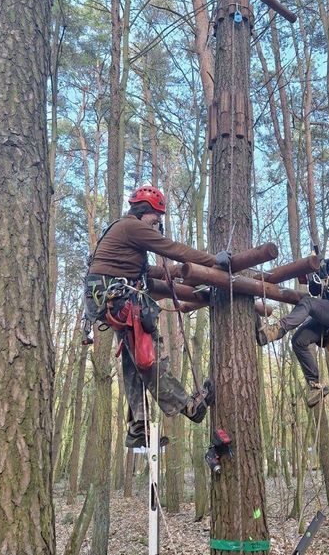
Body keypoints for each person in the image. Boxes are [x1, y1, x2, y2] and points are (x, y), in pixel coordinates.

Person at [84, 185, 232, 449]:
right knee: (148, 354)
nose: (158, 224)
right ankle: (188, 406)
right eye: (156, 217)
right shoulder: (132, 227)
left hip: (109, 299)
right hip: (119, 299)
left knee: (135, 361)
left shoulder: (124, 233)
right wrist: (214, 262)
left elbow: (146, 269)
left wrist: (175, 272)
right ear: (144, 211)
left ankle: (138, 426)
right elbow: (173, 248)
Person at [257, 221, 329, 407]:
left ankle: (277, 330)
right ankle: (315, 385)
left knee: (309, 304)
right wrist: (312, 274)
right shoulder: (327, 264)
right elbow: (314, 290)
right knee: (299, 341)